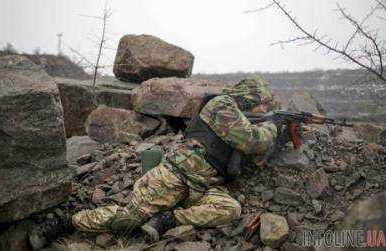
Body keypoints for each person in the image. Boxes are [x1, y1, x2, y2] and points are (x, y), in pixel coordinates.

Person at [72, 75, 281, 240]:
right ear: (249, 97)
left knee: (230, 210)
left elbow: (255, 156)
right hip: (175, 176)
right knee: (127, 221)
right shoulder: (221, 104)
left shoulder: (245, 119)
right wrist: (274, 126)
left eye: (267, 107)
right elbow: (253, 141)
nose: (264, 110)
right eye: (262, 103)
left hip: (205, 187)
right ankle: (69, 221)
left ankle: (168, 219)